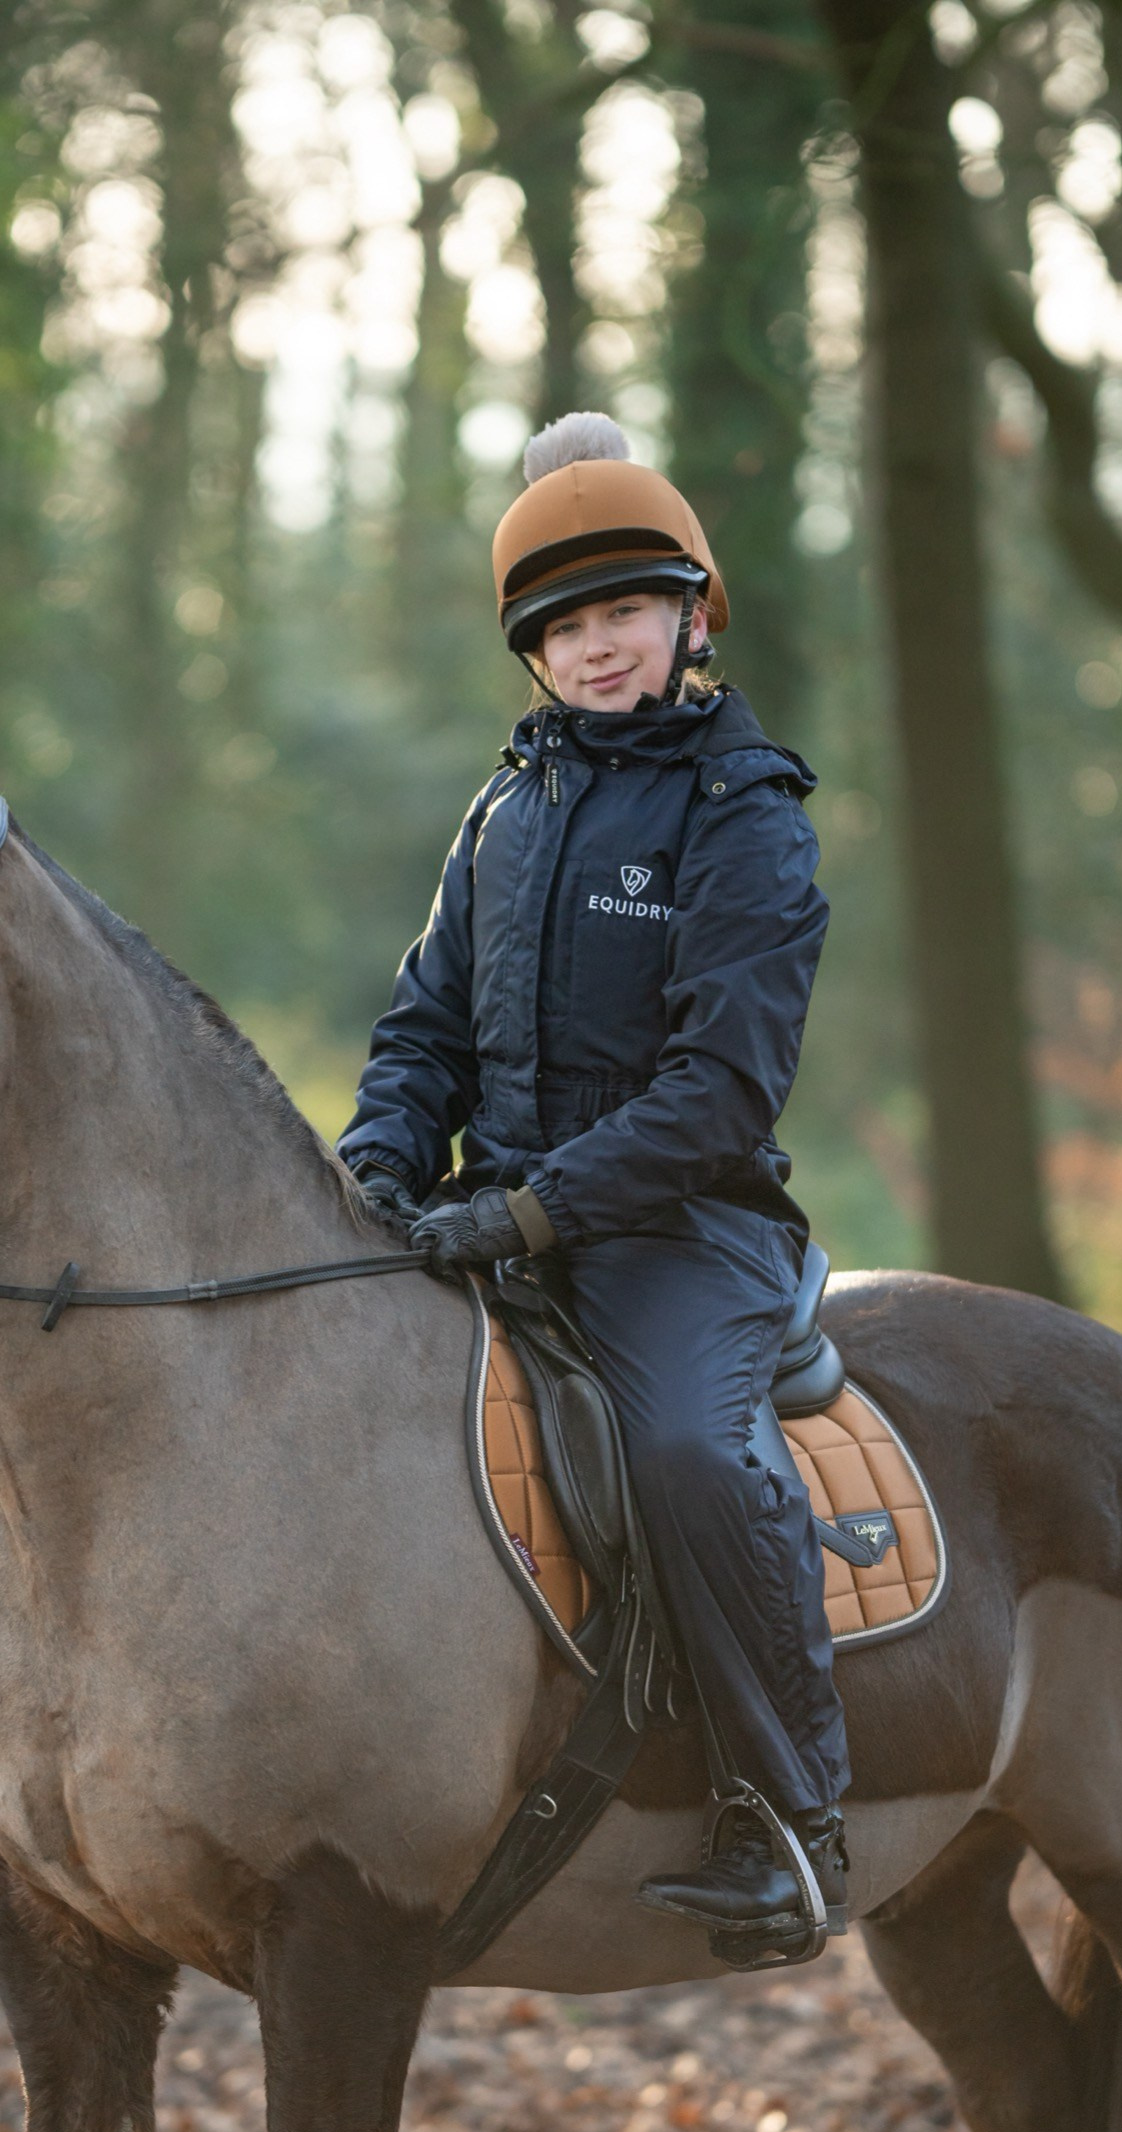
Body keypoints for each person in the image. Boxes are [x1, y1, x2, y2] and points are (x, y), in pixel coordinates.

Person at [338, 410, 851, 1961]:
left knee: (690, 1451)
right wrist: (376, 1153)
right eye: (565, 624)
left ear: (692, 616)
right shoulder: (505, 812)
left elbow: (719, 1093)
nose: (596, 646)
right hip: (496, 1215)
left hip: (680, 1230)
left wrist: (534, 1210)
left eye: (624, 610)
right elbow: (427, 1022)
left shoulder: (744, 815)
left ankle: (791, 1819)